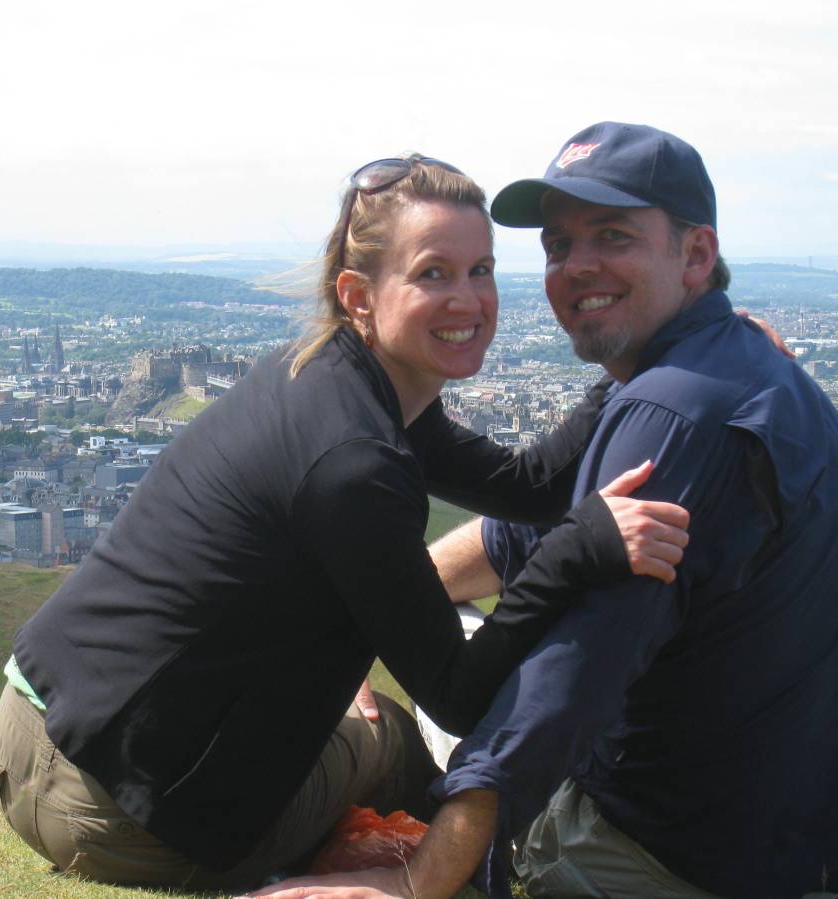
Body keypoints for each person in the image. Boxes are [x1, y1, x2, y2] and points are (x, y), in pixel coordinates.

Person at [0, 154, 691, 892]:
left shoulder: (328, 374)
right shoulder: (353, 461)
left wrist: (634, 362)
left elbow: (527, 486)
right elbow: (458, 694)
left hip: (33, 733)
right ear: (358, 295)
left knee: (358, 731)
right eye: (433, 274)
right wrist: (576, 551)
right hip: (121, 813)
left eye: (480, 270)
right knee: (389, 746)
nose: (469, 299)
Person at [253, 123, 838, 899]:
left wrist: (420, 881)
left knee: (457, 697)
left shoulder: (672, 412)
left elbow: (568, 680)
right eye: (559, 245)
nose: (577, 266)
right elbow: (531, 526)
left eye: (613, 235)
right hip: (772, 827)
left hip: (653, 851)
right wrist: (378, 620)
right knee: (453, 629)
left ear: (696, 255)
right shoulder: (742, 372)